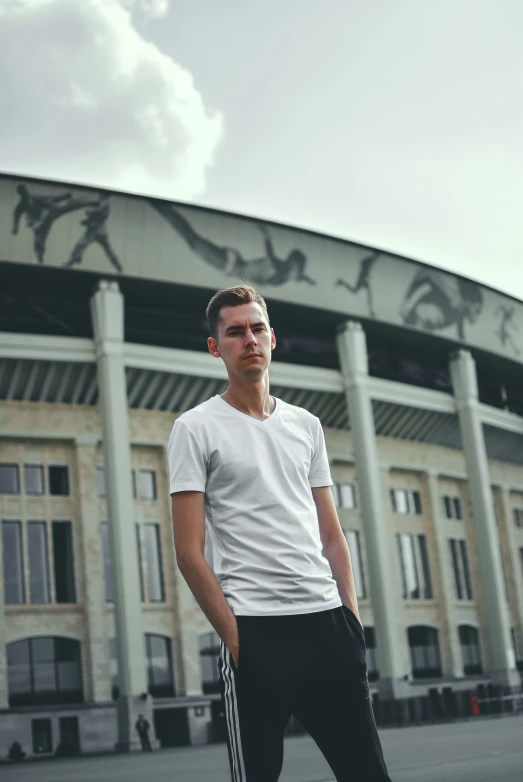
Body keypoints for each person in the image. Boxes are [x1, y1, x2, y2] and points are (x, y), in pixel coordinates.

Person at [168, 285, 392, 782]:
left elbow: (331, 536)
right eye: (234, 331)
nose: (249, 339)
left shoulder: (306, 426)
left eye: (257, 328)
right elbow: (187, 552)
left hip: (329, 629)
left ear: (273, 338)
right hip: (256, 632)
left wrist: (351, 621)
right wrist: (236, 638)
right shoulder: (195, 428)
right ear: (215, 346)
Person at [151, 201, 316, 286]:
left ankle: (163, 209)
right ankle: (162, 207)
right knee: (193, 241)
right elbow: (272, 258)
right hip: (230, 264)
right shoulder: (280, 270)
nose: (296, 275)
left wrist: (307, 279)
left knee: (192, 239)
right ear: (292, 265)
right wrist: (267, 237)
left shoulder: (284, 275)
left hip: (233, 261)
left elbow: (297, 276)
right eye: (296, 270)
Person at [64, 193, 122, 272]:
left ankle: (118, 266)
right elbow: (91, 212)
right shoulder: (99, 202)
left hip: (99, 230)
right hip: (92, 229)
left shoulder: (105, 203)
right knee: (80, 245)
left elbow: (97, 213)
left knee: (108, 250)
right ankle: (73, 260)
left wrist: (90, 212)